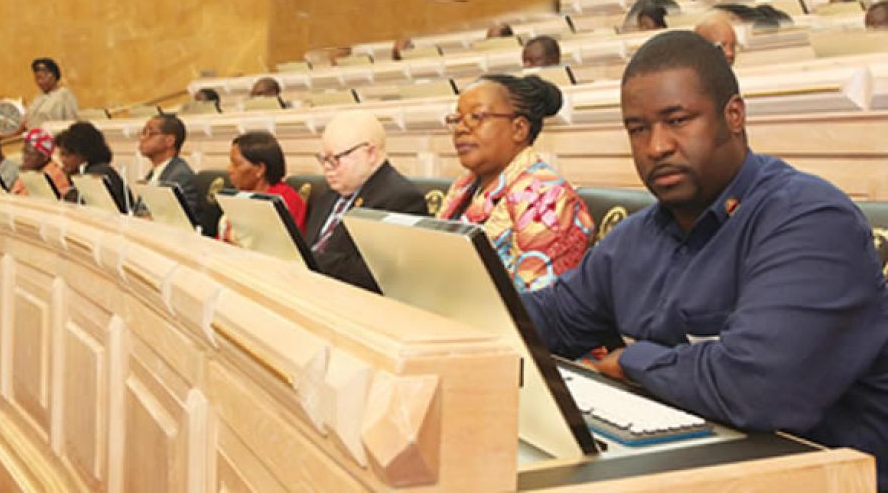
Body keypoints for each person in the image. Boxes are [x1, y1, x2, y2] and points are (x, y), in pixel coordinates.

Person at [522, 30, 888, 489]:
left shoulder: (810, 219)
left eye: (677, 120)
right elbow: (547, 320)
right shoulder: (634, 238)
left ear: (733, 116)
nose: (656, 146)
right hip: (689, 469)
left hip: (823, 476)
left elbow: (760, 388)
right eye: (638, 129)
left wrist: (635, 361)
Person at [438, 75, 593, 292]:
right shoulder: (463, 186)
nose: (460, 129)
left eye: (476, 117)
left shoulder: (547, 198)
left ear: (519, 129)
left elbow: (534, 302)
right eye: (457, 119)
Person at [305, 110, 427, 293]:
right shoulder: (327, 195)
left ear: (370, 153)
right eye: (323, 159)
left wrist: (309, 258)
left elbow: (378, 275)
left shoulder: (401, 199)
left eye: (335, 159)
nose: (327, 168)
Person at [218, 131, 306, 242]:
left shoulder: (284, 200)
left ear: (260, 169)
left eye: (236, 164)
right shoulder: (241, 195)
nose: (229, 169)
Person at [54, 121, 129, 213]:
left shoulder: (98, 173)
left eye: (67, 155)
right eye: (61, 154)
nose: (62, 160)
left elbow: (75, 205)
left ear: (83, 153)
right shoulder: (92, 170)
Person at [137, 113, 200, 218]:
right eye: (143, 132)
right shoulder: (154, 173)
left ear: (169, 141)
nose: (142, 138)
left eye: (149, 133)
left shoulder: (180, 176)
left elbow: (176, 219)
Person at [10, 128, 70, 197]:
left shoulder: (55, 176)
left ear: (45, 157)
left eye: (30, 154)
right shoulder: (30, 170)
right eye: (24, 152)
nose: (24, 157)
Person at [25, 58, 78, 129]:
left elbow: (71, 123)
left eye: (41, 78)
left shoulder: (64, 95)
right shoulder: (38, 97)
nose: (39, 82)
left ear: (52, 75)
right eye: (37, 79)